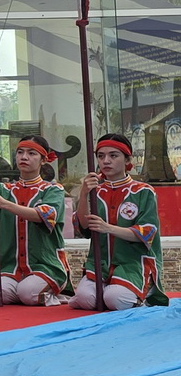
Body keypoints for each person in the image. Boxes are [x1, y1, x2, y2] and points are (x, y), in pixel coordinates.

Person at [72, 133, 166, 311]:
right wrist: (83, 194)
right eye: (101, 156)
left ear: (127, 159)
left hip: (133, 264)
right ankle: (113, 289)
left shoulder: (143, 191)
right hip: (99, 264)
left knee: (115, 300)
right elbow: (83, 228)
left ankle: (145, 291)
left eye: (113, 156)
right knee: (86, 299)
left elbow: (146, 233)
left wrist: (108, 228)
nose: (106, 161)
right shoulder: (94, 191)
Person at [0, 136, 70, 307]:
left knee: (29, 294)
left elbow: (43, 215)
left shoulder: (53, 190)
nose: (24, 157)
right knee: (1, 294)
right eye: (20, 152)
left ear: (43, 160)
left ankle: (57, 293)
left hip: (44, 264)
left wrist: (4, 204)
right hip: (11, 266)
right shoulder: (4, 189)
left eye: (31, 153)